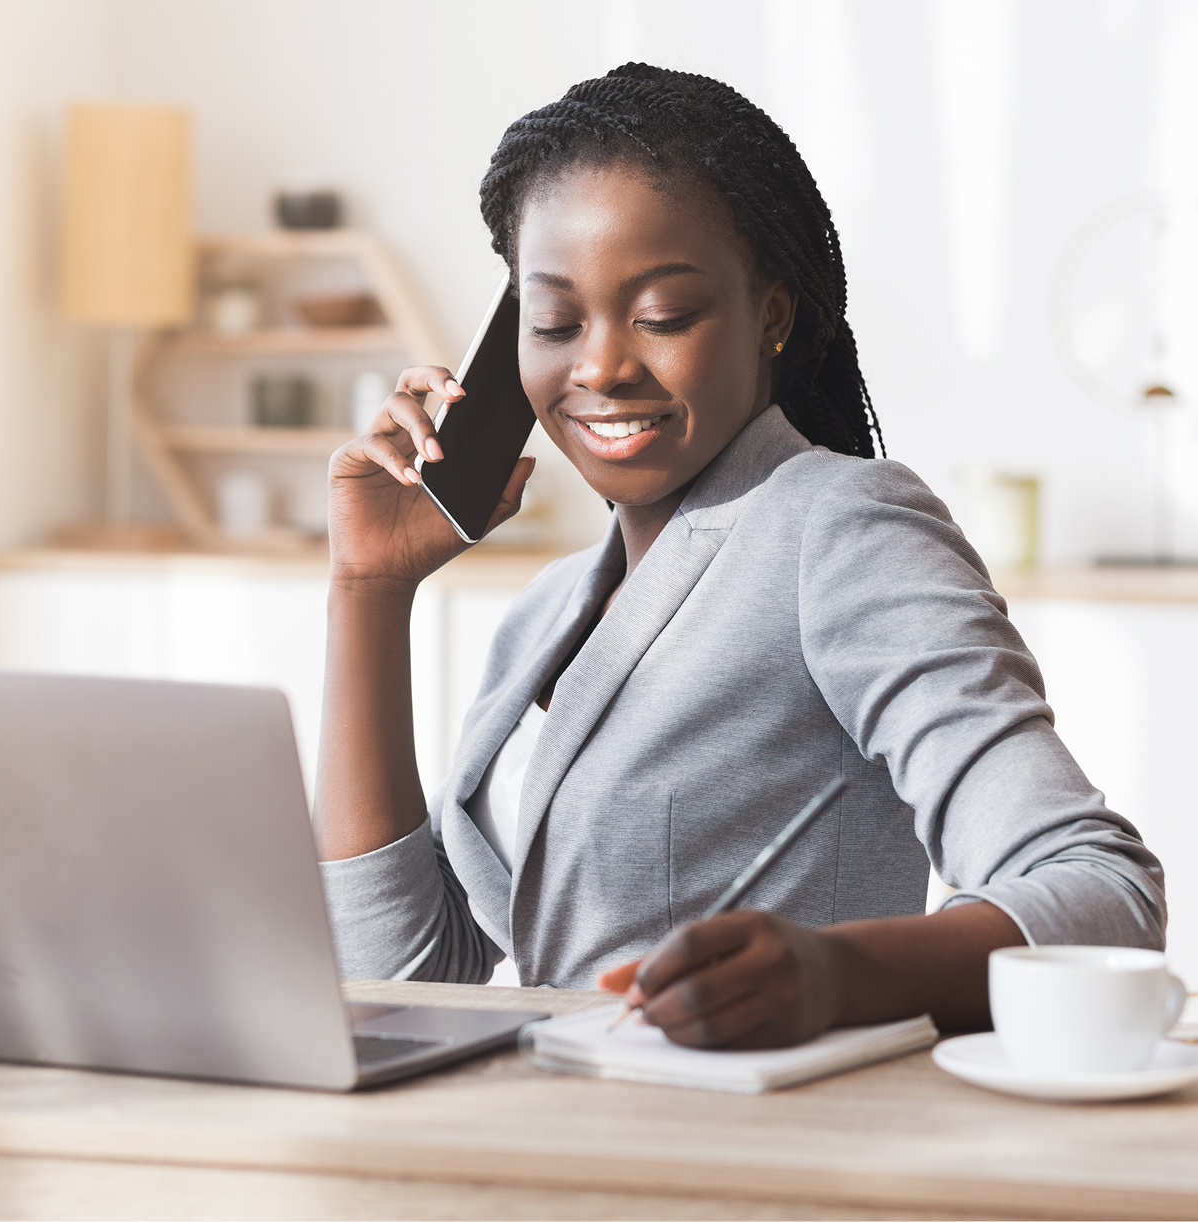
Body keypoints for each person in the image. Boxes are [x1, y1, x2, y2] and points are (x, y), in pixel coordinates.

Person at [314, 64, 1164, 1049]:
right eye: (555, 321)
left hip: (759, 1165)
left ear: (770, 315)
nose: (598, 366)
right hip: (552, 1157)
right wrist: (366, 592)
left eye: (664, 314)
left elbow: (1102, 893)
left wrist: (834, 975)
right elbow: (400, 982)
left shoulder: (840, 527)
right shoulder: (541, 618)